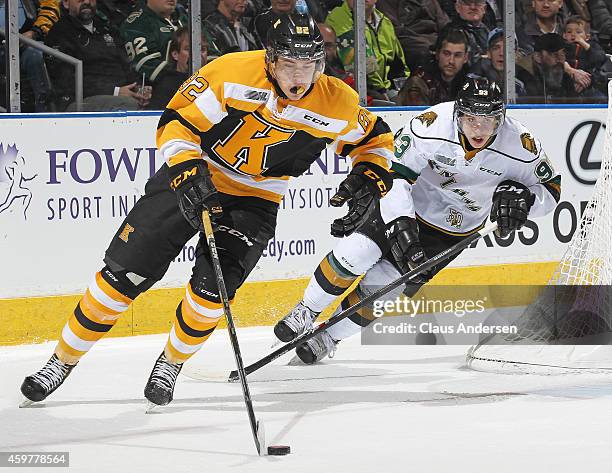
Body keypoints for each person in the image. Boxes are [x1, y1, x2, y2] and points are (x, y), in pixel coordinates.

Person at [20, 12, 395, 407]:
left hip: (256, 197)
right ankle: (61, 360)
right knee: (122, 276)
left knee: (212, 293)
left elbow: (375, 138)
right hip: (196, 173)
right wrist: (184, 170)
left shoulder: (337, 100)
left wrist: (371, 176)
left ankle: (171, 363)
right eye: (289, 64)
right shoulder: (230, 73)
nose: (299, 76)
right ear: (270, 59)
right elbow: (177, 123)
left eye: (308, 65)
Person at [273, 76, 562, 364]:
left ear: (501, 120)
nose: (479, 128)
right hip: (407, 205)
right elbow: (394, 172)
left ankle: (328, 337)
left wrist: (525, 201)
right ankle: (306, 310)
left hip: (453, 230)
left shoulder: (521, 145)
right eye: (471, 119)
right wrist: (400, 221)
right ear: (458, 114)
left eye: (488, 120)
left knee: (384, 286)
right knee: (356, 253)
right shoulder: (432, 124)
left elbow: (551, 188)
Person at [45, 0, 147, 111]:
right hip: (78, 100)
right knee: (127, 105)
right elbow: (66, 80)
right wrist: (115, 91)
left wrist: (137, 87)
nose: (87, 1)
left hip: (120, 94)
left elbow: (126, 64)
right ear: (66, 3)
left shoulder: (107, 28)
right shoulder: (59, 33)